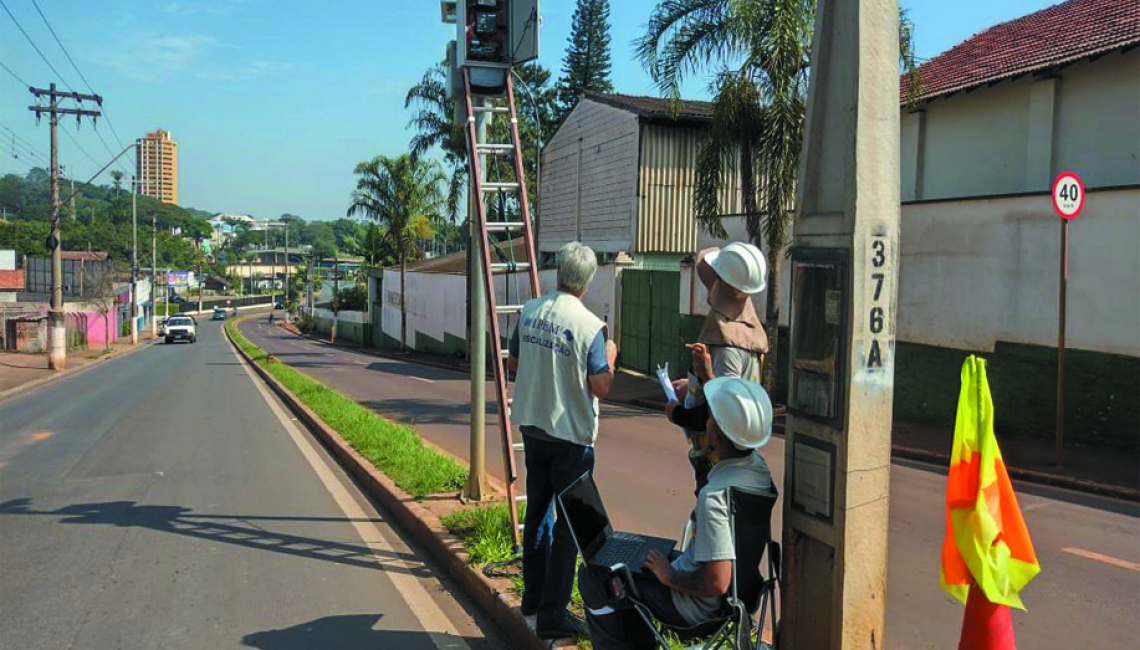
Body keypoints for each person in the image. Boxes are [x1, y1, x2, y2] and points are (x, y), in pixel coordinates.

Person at [579, 377, 776, 650]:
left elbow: (716, 581)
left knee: (594, 575)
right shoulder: (759, 472)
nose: (705, 421)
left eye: (709, 417)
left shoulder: (716, 496)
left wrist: (668, 575)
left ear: (716, 435)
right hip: (738, 598)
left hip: (693, 609)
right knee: (631, 555)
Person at [508, 241, 618, 640]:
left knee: (537, 516)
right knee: (569, 529)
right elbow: (601, 386)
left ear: (559, 275)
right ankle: (553, 613)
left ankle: (533, 599)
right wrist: (610, 354)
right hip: (571, 439)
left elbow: (514, 362)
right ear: (587, 283)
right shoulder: (590, 327)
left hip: (533, 430)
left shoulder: (530, 311)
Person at [671, 243, 768, 493]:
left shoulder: (728, 342)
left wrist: (677, 413)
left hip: (719, 458)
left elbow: (724, 412)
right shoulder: (747, 329)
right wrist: (691, 383)